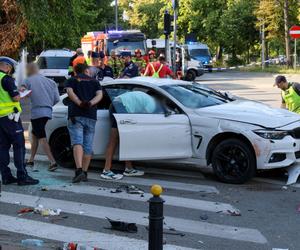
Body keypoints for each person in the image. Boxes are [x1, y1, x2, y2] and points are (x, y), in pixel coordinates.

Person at [0, 57, 39, 185]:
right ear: (7, 66)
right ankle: (22, 176)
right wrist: (21, 94)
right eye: (10, 68)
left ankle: (6, 176)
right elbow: (15, 98)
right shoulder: (6, 78)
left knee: (3, 148)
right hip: (11, 119)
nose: (11, 70)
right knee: (19, 146)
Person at [102, 91, 156, 180]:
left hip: (116, 104)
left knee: (124, 139)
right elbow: (146, 118)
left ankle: (129, 168)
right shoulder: (152, 103)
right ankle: (106, 170)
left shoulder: (145, 97)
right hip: (120, 106)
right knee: (114, 139)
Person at [65, 63, 103, 183]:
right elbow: (100, 95)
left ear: (76, 71)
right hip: (91, 115)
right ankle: (85, 173)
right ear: (86, 70)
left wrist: (79, 102)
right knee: (87, 145)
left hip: (76, 114)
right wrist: (90, 103)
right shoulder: (95, 82)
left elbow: (70, 94)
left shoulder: (72, 80)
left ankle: (79, 170)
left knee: (77, 142)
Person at [22, 63, 60, 172]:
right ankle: (31, 159)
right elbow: (57, 99)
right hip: (47, 112)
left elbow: (21, 93)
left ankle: (52, 162)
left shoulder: (28, 80)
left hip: (37, 112)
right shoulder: (51, 82)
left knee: (42, 137)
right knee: (35, 135)